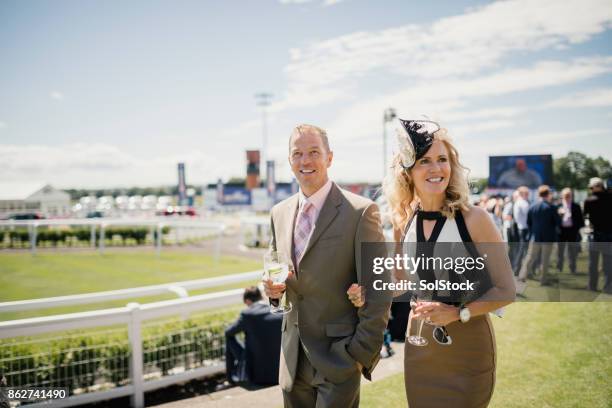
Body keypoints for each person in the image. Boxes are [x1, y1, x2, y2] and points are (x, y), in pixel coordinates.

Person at [348, 119, 515, 408]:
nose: (436, 169)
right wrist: (368, 293)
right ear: (408, 171)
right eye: (425, 161)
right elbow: (399, 283)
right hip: (420, 342)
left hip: (467, 343)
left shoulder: (475, 219)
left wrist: (457, 313)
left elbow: (506, 289)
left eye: (442, 159)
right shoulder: (404, 219)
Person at [264, 124, 392, 407]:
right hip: (292, 359)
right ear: (289, 160)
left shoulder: (361, 211)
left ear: (329, 158)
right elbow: (276, 271)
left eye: (313, 152)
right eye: (297, 153)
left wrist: (359, 354)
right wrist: (273, 293)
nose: (305, 161)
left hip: (339, 358)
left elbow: (380, 289)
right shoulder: (278, 213)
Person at [225, 286, 283, 385]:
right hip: (281, 371)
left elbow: (228, 332)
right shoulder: (277, 309)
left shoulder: (247, 314)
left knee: (229, 337)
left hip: (258, 375)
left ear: (247, 301)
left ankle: (231, 377)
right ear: (261, 297)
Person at [517, 185, 560, 286]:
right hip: (548, 237)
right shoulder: (551, 207)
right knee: (545, 259)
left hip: (535, 236)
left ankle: (522, 277)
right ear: (548, 194)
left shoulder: (532, 206)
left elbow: (529, 222)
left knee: (530, 257)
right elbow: (557, 222)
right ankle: (543, 279)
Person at [583, 177, 612, 293]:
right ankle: (608, 287)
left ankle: (592, 286)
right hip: (609, 235)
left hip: (595, 235)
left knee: (593, 263)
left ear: (595, 187)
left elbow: (585, 216)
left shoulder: (589, 200)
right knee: (608, 263)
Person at [557, 188, 584, 274]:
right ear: (562, 196)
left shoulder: (576, 206)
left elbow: (581, 221)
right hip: (561, 232)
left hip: (572, 231)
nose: (567, 198)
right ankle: (559, 268)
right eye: (565, 196)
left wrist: (576, 228)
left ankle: (572, 268)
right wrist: (560, 216)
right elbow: (554, 221)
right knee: (560, 251)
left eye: (569, 196)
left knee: (572, 251)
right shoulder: (558, 206)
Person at [512, 186, 531, 273]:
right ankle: (518, 269)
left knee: (521, 249)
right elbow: (529, 216)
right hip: (524, 228)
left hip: (521, 228)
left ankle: (517, 269)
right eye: (527, 193)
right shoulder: (523, 203)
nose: (528, 195)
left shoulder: (518, 202)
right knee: (523, 250)